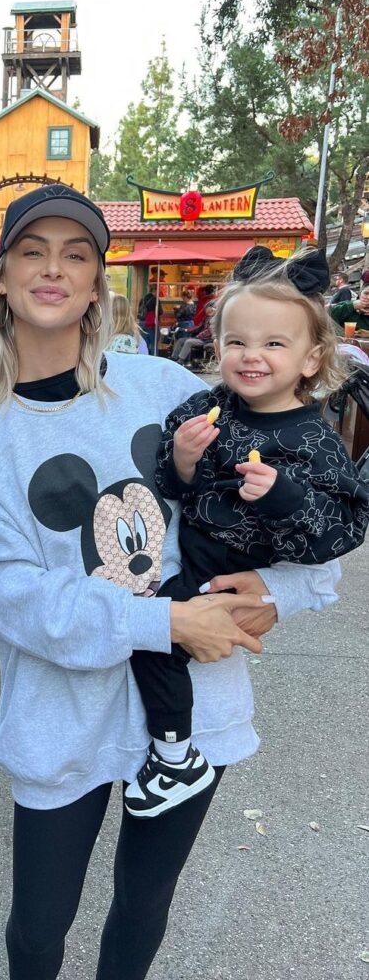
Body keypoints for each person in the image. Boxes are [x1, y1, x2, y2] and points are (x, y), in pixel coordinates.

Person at [0, 184, 340, 980]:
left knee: (143, 907)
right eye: (32, 252)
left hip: (196, 710)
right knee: (37, 927)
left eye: (76, 255)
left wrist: (273, 595)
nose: (53, 270)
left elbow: (304, 527)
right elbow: (3, 596)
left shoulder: (169, 391)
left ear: (97, 283)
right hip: (62, 719)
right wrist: (164, 624)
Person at [123, 244, 369, 819]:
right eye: (237, 342)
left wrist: (284, 497)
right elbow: (174, 489)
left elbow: (340, 531)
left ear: (312, 360)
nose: (251, 356)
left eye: (273, 344)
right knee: (154, 636)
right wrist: (181, 459)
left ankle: (174, 755)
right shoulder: (208, 409)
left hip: (222, 579)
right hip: (194, 559)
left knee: (151, 638)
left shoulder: (314, 441)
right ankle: (172, 750)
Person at [170, 302, 217, 367]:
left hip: (206, 340)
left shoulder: (215, 319)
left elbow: (209, 331)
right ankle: (174, 357)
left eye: (207, 309)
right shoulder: (206, 318)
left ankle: (181, 360)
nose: (206, 310)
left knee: (189, 342)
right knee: (181, 340)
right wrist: (187, 330)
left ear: (212, 309)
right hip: (200, 338)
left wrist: (198, 336)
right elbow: (199, 326)